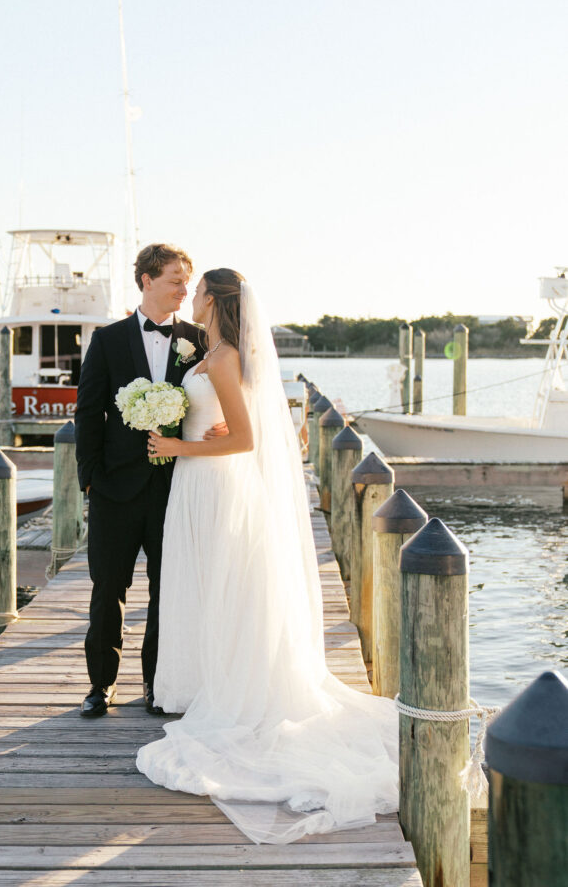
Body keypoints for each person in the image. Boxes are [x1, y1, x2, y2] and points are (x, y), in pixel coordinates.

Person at [137, 269, 399, 843]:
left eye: (199, 288)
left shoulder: (226, 357)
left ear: (215, 300)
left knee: (225, 586)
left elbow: (248, 439)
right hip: (194, 481)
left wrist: (177, 444)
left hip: (214, 480)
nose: (193, 295)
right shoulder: (209, 353)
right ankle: (208, 682)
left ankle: (234, 690)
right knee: (203, 586)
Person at [74, 244, 225, 718]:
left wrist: (220, 425)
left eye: (187, 281)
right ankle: (100, 685)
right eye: (175, 280)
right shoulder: (108, 340)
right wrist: (90, 480)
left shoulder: (200, 340)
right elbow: (88, 413)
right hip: (114, 490)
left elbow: (222, 396)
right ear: (146, 280)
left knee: (169, 590)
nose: (184, 289)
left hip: (176, 489)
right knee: (107, 589)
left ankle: (157, 683)